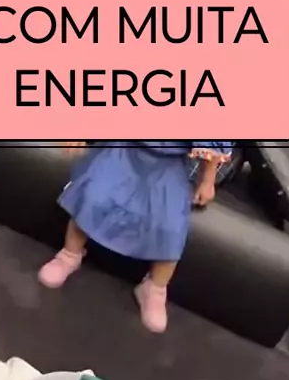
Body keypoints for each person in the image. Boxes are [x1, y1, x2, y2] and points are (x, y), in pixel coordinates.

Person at [38, 141, 233, 333]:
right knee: (94, 195)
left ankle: (156, 287)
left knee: (171, 225)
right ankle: (69, 255)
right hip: (123, 148)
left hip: (170, 165)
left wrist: (207, 179)